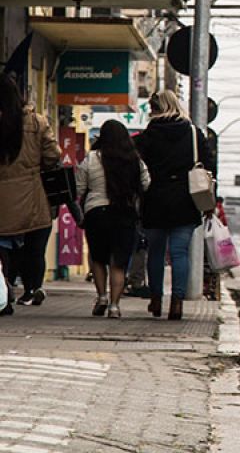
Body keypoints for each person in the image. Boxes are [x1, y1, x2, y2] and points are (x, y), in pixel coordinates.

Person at [135, 90, 213, 321]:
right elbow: (209, 165)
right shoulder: (193, 133)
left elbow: (138, 167)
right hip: (185, 199)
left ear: (155, 108)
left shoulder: (148, 135)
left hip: (155, 199)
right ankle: (177, 302)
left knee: (156, 252)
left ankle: (156, 300)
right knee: (179, 253)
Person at [0, 74, 61, 315]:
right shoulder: (36, 123)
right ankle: (32, 286)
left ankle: (5, 290)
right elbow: (53, 156)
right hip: (31, 196)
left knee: (2, 246)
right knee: (33, 246)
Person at [77, 120, 149, 318]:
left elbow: (79, 188)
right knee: (118, 263)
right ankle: (115, 306)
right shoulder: (134, 159)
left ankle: (101, 297)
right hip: (124, 214)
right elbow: (146, 183)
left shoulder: (91, 158)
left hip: (96, 214)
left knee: (98, 259)